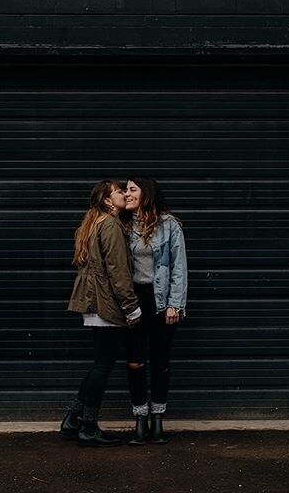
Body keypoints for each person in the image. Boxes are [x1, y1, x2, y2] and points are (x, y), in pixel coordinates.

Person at [61, 180, 142, 447]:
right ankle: (88, 426)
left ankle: (73, 419)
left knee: (98, 364)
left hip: (94, 302)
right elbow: (118, 272)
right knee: (103, 366)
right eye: (119, 192)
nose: (123, 194)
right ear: (108, 201)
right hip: (106, 303)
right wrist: (131, 307)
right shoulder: (110, 225)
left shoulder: (95, 222)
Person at [123, 176, 188, 445]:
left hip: (161, 301)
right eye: (126, 190)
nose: (126, 194)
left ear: (146, 194)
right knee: (136, 362)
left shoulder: (169, 225)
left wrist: (175, 303)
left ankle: (158, 421)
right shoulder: (123, 226)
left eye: (131, 189)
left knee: (160, 362)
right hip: (132, 301)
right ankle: (140, 420)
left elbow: (178, 267)